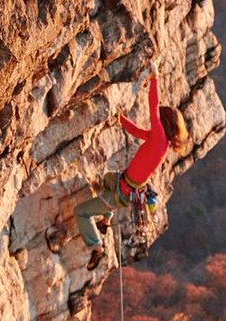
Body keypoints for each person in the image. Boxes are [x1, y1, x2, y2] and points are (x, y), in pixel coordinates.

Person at [75, 77, 191, 269]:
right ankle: (105, 220)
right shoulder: (162, 142)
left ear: (162, 122)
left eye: (157, 120)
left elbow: (153, 106)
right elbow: (137, 131)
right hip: (124, 184)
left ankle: (97, 248)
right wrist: (120, 118)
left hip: (121, 193)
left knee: (81, 212)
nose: (153, 121)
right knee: (107, 179)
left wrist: (155, 77)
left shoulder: (159, 136)